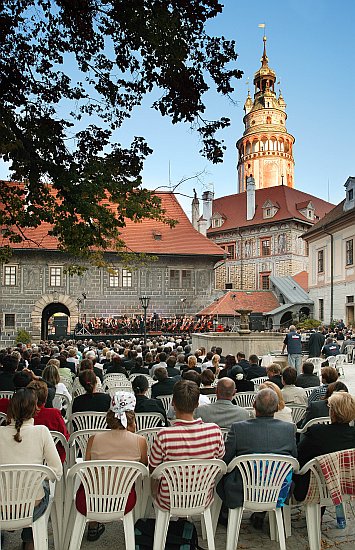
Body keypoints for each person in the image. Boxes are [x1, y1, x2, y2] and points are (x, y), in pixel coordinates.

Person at [217, 388, 297, 528]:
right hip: (278, 488)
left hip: (242, 489)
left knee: (224, 477)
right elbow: (294, 460)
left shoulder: (238, 428)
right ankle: (261, 513)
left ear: (254, 405)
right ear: (277, 408)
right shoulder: (289, 429)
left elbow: (226, 460)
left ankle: (224, 514)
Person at [75, 392, 148, 541]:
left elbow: (87, 466)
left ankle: (93, 524)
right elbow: (144, 467)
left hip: (89, 501)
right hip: (124, 500)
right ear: (132, 415)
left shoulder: (93, 439)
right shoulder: (140, 441)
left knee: (93, 481)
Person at [0, 388, 62, 550]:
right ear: (36, 408)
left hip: (1, 505)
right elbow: (57, 471)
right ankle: (30, 540)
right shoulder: (41, 431)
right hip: (31, 507)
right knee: (40, 487)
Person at [149, 380, 225, 510]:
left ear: (173, 403)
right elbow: (219, 461)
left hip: (169, 500)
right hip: (202, 497)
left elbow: (153, 470)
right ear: (197, 404)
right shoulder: (215, 431)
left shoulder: (164, 435)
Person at [294, 392, 355, 502]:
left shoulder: (317, 432)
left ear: (333, 412)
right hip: (345, 485)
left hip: (315, 488)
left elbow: (299, 457)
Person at [28, 380, 70, 462]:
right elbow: (65, 438)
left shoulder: (23, 415)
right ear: (46, 398)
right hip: (54, 459)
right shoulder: (54, 414)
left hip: (30, 458)